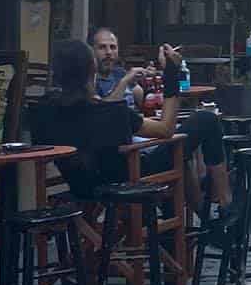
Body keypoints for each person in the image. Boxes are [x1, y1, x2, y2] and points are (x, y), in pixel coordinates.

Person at [42, 37, 231, 211]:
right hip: (130, 179)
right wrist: (171, 73)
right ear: (92, 69)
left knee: (178, 153)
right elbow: (166, 129)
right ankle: (225, 204)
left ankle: (191, 225)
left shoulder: (46, 111)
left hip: (80, 186)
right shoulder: (108, 110)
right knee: (206, 120)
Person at [89, 25, 145, 103]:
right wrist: (124, 82)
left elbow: (138, 99)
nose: (108, 52)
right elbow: (103, 111)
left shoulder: (119, 73)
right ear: (91, 51)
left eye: (113, 47)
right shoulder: (89, 81)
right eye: (102, 47)